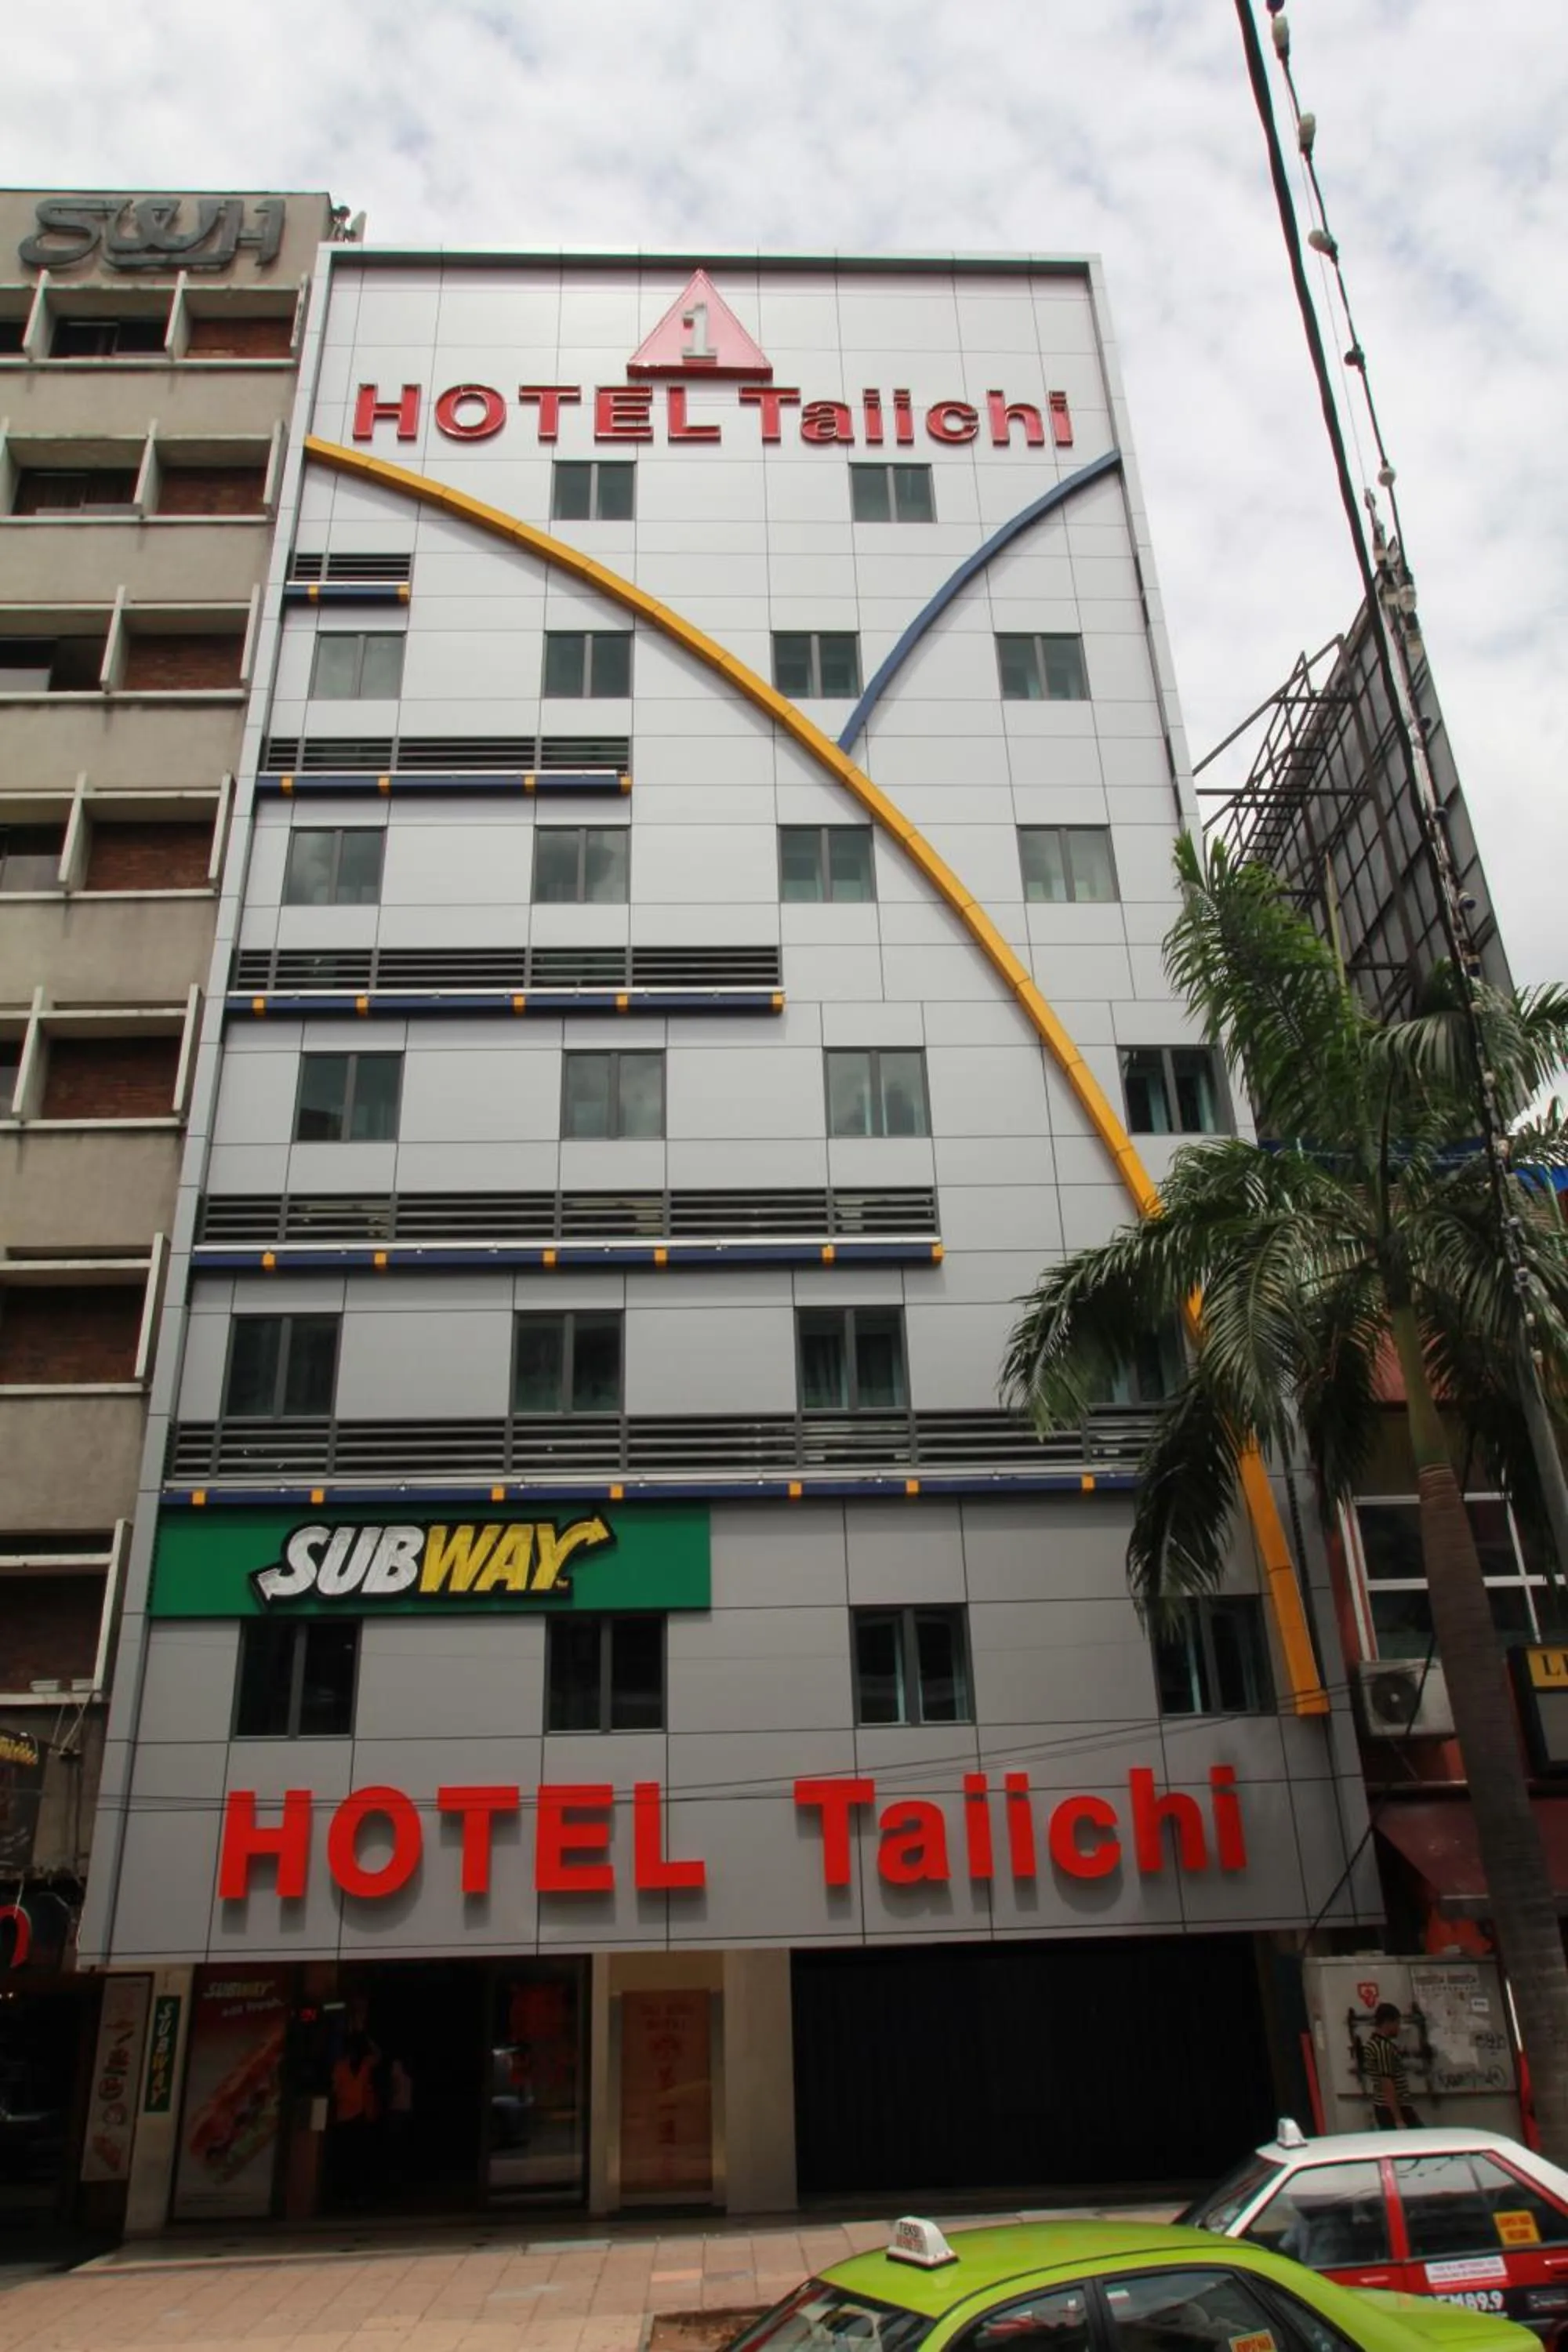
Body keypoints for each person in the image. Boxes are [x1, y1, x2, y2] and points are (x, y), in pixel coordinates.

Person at [329, 2031, 381, 2204]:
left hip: (362, 2114)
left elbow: (378, 2056)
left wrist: (368, 2039)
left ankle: (357, 2193)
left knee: (360, 2156)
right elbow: (334, 2089)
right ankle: (345, 2194)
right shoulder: (340, 2066)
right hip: (344, 2115)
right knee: (346, 2156)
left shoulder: (366, 2064)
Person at [1363, 2002, 1422, 2129]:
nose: (1398, 2028)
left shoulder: (1373, 2044)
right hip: (1393, 2108)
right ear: (1388, 2023)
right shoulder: (1383, 2048)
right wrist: (1398, 2119)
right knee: (1419, 2141)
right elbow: (1387, 2082)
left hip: (1387, 2106)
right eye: (1397, 2023)